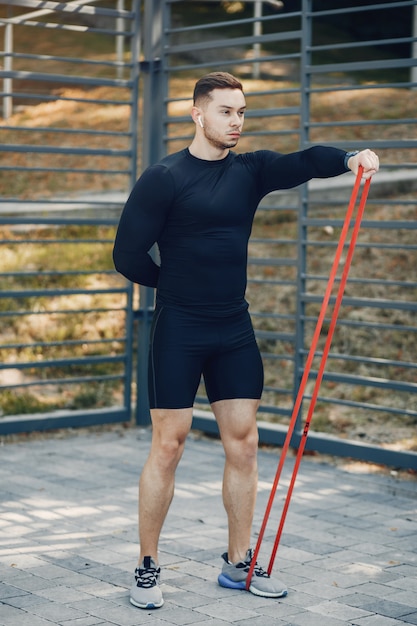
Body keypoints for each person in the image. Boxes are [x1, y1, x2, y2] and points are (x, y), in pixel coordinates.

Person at [113, 71, 379, 610]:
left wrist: (351, 158)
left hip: (233, 326)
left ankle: (238, 564)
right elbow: (127, 255)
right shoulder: (163, 178)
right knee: (170, 444)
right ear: (197, 114)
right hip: (180, 327)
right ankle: (147, 564)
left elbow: (301, 162)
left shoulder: (250, 171)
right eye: (225, 111)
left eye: (241, 112)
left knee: (245, 442)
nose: (235, 122)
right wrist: (175, 283)